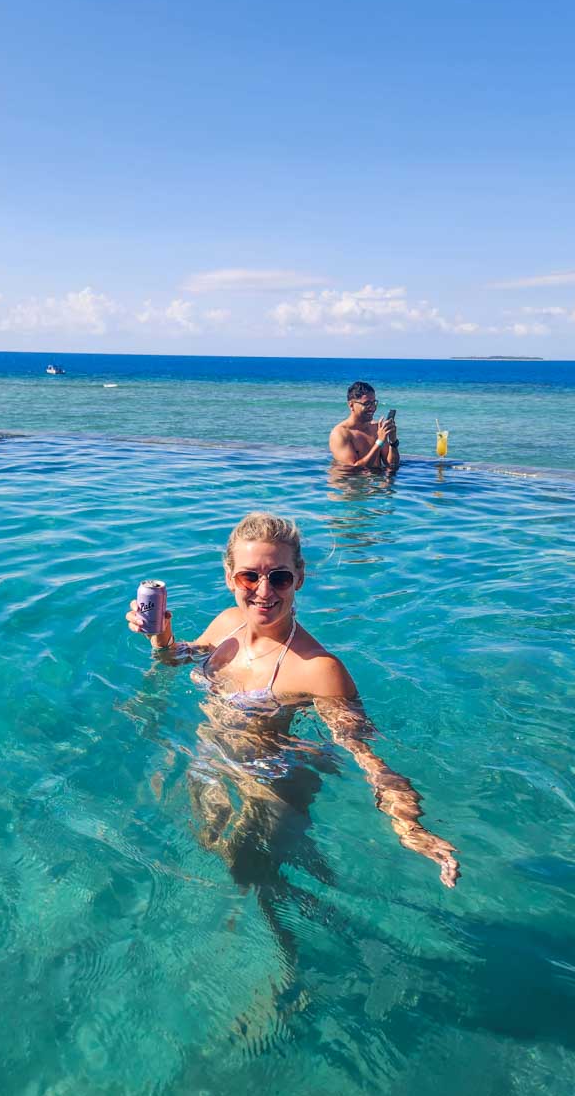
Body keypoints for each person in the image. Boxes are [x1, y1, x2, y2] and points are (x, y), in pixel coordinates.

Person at [125, 512, 459, 889]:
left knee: (250, 881)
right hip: (209, 763)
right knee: (203, 854)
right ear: (229, 577)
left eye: (279, 577)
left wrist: (409, 825)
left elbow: (367, 757)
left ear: (298, 577)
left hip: (268, 788)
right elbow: (174, 659)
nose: (264, 591)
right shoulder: (226, 624)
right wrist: (161, 637)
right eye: (249, 576)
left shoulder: (318, 669)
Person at [328, 380, 400, 471]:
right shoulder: (340, 434)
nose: (373, 408)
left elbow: (391, 465)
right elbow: (353, 469)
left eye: (374, 403)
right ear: (351, 405)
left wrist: (393, 441)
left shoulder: (377, 428)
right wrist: (379, 442)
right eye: (366, 404)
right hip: (350, 482)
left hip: (372, 481)